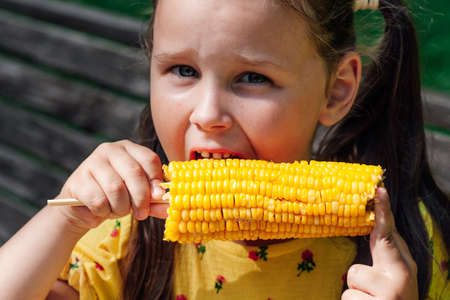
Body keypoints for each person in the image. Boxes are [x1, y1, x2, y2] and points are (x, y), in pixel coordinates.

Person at [0, 0, 448, 299]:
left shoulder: (404, 246)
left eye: (253, 78)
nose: (207, 114)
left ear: (336, 90)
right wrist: (65, 218)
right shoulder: (127, 237)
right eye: (182, 70)